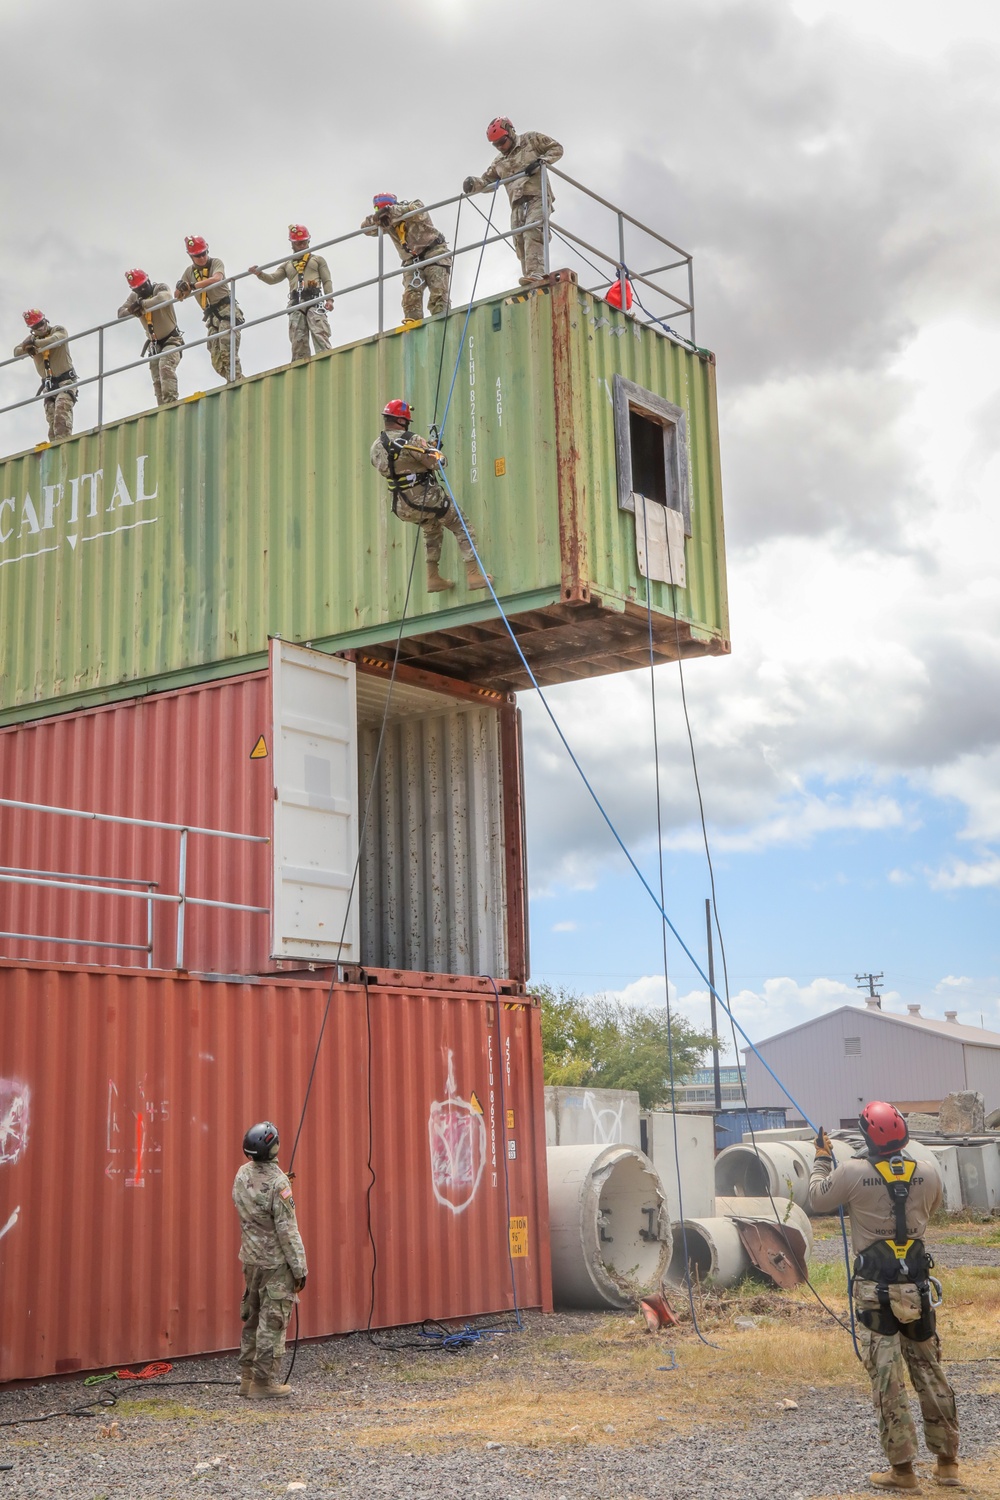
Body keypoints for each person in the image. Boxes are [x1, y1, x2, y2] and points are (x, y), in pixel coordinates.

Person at [809, 1103, 960, 1491]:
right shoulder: (927, 1173)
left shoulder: (853, 1173)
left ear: (866, 1135)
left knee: (887, 1378)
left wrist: (822, 1159)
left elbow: (817, 1199)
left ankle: (904, 1472)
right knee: (929, 1370)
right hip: (917, 1289)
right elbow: (933, 1207)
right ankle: (947, 1466)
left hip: (874, 1290)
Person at [370, 399, 491, 593]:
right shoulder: (412, 440)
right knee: (460, 524)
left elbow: (396, 465)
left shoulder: (376, 446)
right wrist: (436, 451)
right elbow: (438, 463)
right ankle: (473, 574)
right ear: (402, 420)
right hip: (425, 499)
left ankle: (433, 578)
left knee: (432, 529)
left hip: (401, 506)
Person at [232, 1121, 307, 1399]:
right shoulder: (279, 1184)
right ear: (273, 1147)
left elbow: (250, 1199)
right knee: (271, 1323)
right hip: (275, 1263)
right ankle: (263, 1384)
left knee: (251, 1319)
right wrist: (300, 1268)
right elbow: (288, 1231)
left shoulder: (242, 1174)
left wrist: (279, 1181)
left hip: (250, 1261)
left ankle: (247, 1378)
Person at [463, 117, 563, 286]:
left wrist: (541, 162)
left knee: (533, 230)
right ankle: (530, 278)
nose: (500, 147)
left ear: (510, 133)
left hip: (537, 195)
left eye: (502, 141)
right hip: (517, 203)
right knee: (519, 240)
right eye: (496, 145)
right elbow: (486, 181)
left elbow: (556, 148)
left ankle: (537, 273)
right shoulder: (499, 162)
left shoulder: (531, 139)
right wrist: (473, 184)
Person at [360, 194, 452, 324]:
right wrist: (377, 218)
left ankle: (442, 323)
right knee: (411, 296)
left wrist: (392, 212)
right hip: (412, 261)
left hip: (434, 253)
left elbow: (418, 210)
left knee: (438, 293)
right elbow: (365, 229)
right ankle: (413, 326)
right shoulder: (388, 223)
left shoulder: (412, 206)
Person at [249, 225, 333, 361]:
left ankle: (327, 362)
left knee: (320, 334)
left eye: (305, 242)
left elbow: (326, 280)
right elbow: (273, 278)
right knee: (298, 342)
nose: (302, 245)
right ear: (292, 244)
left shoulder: (317, 260)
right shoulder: (287, 265)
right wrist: (260, 273)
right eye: (299, 243)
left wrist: (330, 299)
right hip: (296, 305)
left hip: (314, 301)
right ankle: (300, 370)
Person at [175, 235, 243, 382]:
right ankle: (234, 380)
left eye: (204, 253)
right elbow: (179, 296)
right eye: (197, 255)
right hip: (212, 318)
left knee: (227, 350)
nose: (202, 257)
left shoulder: (215, 263)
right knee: (216, 360)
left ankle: (238, 381)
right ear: (191, 256)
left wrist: (192, 286)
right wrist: (180, 287)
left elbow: (217, 278)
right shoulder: (189, 272)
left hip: (226, 311)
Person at [117, 269, 184, 406]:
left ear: (148, 281)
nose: (142, 290)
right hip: (154, 345)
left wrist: (142, 305)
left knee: (165, 366)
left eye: (144, 286)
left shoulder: (160, 287)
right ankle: (162, 408)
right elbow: (120, 313)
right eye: (138, 289)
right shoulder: (134, 297)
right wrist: (132, 310)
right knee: (157, 379)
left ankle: (171, 404)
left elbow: (164, 298)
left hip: (172, 340)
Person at [13, 310, 77, 441]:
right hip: (49, 387)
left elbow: (56, 339)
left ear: (45, 320)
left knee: (61, 415)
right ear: (32, 329)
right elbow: (16, 352)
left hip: (66, 382)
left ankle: (64, 447)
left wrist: (34, 345)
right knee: (52, 423)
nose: (41, 328)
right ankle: (55, 449)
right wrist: (27, 347)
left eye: (41, 323)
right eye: (36, 326)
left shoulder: (58, 330)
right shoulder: (31, 341)